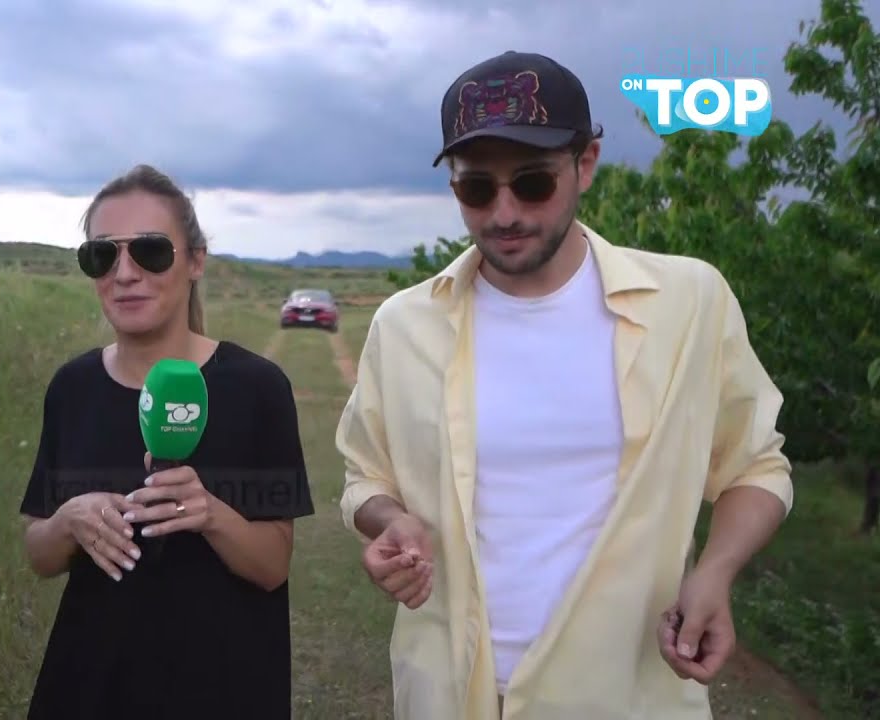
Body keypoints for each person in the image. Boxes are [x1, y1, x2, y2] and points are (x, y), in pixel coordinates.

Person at [335, 50, 793, 719]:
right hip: (452, 694)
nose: (504, 213)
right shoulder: (404, 325)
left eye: (532, 183)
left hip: (624, 695)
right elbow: (365, 476)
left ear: (586, 163)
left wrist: (715, 572)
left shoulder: (689, 304)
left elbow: (755, 465)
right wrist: (390, 520)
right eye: (476, 189)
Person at [19, 163, 315, 719]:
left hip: (223, 689)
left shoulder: (257, 388)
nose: (124, 273)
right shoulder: (72, 387)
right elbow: (39, 554)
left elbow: (273, 565)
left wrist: (210, 514)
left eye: (150, 251)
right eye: (102, 255)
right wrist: (68, 521)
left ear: (195, 261)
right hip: (90, 687)